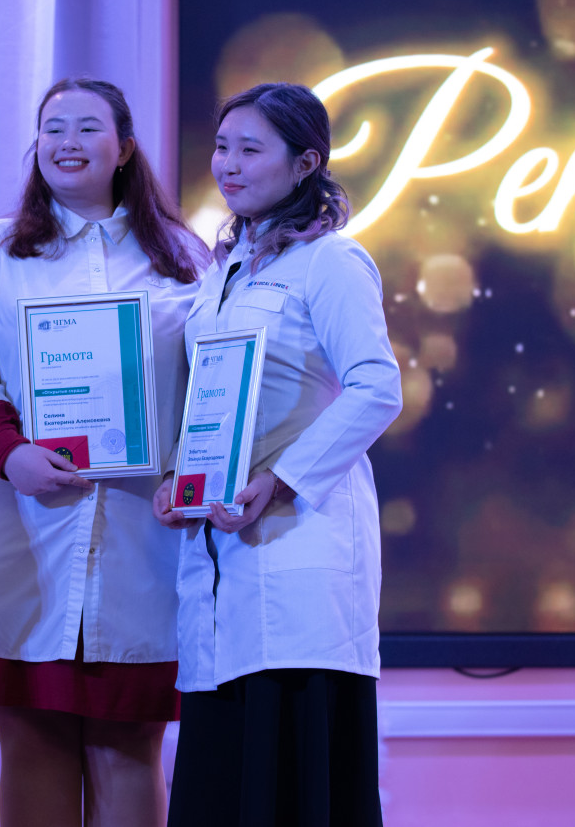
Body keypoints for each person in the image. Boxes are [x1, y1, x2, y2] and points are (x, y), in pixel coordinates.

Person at [0, 78, 206, 827]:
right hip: (24, 531)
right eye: (52, 127)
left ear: (124, 148)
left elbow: (211, 383)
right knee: (32, 745)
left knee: (129, 749)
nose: (67, 141)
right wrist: (9, 452)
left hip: (144, 538)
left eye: (87, 127)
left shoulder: (183, 257)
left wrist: (193, 472)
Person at [155, 83, 403, 826]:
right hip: (221, 557)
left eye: (250, 149)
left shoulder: (332, 262)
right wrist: (180, 477)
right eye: (221, 146)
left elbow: (377, 387)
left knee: (293, 790)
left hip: (300, 562)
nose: (227, 164)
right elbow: (213, 400)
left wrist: (283, 480)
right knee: (223, 789)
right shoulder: (224, 272)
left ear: (305, 164)